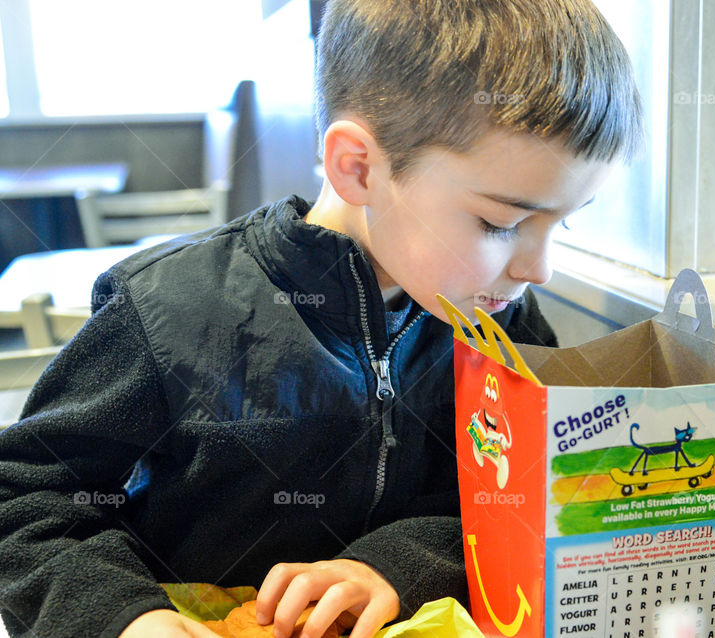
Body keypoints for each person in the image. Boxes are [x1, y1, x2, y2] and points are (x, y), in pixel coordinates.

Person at [0, 0, 642, 636]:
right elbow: (23, 500)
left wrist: (398, 565)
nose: (540, 269)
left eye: (567, 221)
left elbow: (533, 496)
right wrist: (124, 619)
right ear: (359, 166)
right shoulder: (170, 309)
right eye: (501, 223)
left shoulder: (507, 327)